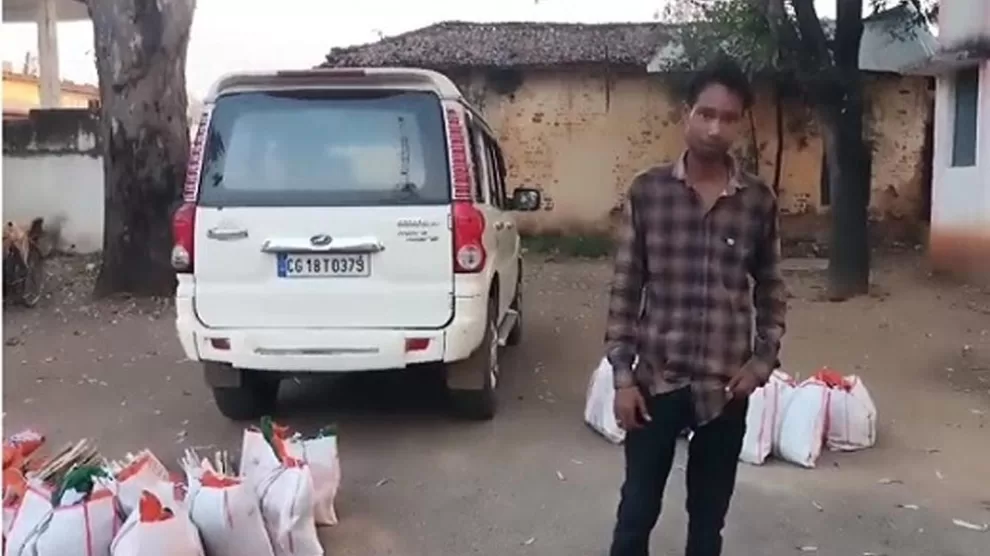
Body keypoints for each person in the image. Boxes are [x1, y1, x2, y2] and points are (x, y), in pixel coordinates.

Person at [604, 56, 788, 556]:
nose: (714, 128)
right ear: (686, 112)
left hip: (725, 387)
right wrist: (622, 378)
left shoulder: (757, 200)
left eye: (728, 118)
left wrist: (762, 362)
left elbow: (772, 286)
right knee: (636, 512)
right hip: (655, 382)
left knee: (708, 523)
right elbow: (625, 287)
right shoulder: (649, 192)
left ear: (740, 123)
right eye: (706, 113)